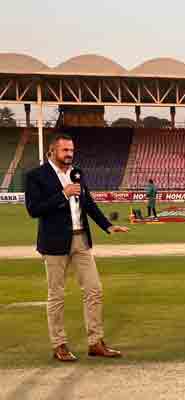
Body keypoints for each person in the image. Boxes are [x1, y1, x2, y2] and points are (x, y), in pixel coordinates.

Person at [24, 134, 130, 362]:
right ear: (52, 152)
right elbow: (34, 209)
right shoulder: (36, 176)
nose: (69, 154)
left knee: (94, 290)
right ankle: (59, 345)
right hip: (54, 243)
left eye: (71, 150)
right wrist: (63, 194)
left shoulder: (77, 173)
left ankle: (95, 342)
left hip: (81, 239)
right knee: (57, 295)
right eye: (65, 150)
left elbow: (88, 203)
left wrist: (107, 226)